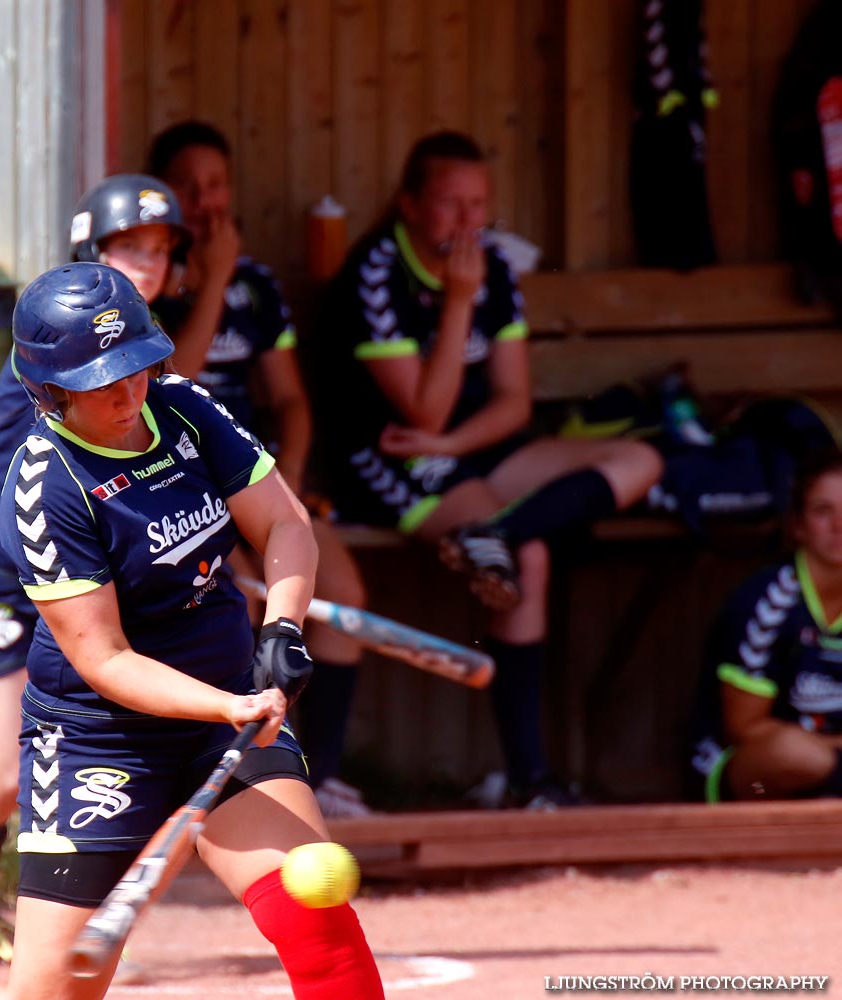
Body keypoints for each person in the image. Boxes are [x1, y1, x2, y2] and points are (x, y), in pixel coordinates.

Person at [0, 261, 381, 1000]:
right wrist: (227, 707)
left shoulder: (183, 406)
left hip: (230, 706)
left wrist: (281, 627)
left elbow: (284, 521)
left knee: (320, 929)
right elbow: (106, 659)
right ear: (50, 389)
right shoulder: (43, 486)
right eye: (101, 380)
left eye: (137, 369)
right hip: (99, 735)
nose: (128, 393)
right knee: (53, 992)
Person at [311, 130, 665, 809]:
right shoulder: (377, 273)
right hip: (388, 459)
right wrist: (457, 303)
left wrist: (459, 442)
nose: (468, 223)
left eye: (480, 206)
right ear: (409, 204)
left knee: (641, 458)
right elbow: (426, 409)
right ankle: (530, 779)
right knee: (529, 562)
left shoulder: (492, 267)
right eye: (451, 205)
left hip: (467, 450)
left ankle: (494, 535)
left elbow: (514, 403)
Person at [0, 174, 191, 964]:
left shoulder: (140, 353)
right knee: (6, 771)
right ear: (90, 252)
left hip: (70, 574)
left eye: (162, 252)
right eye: (130, 249)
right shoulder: (65, 336)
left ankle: (74, 928)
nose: (148, 264)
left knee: (101, 757)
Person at [146, 119, 372, 818]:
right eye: (190, 187)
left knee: (343, 597)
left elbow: (290, 400)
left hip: (252, 477)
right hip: (177, 485)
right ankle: (236, 786)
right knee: (238, 610)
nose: (208, 201)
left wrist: (293, 481)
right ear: (165, 197)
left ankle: (321, 775)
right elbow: (172, 381)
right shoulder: (146, 282)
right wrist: (211, 279)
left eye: (218, 185)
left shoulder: (259, 284)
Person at [688, 449, 842, 802]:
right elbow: (745, 728)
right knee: (796, 754)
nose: (839, 525)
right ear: (798, 526)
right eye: (823, 511)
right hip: (751, 772)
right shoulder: (765, 600)